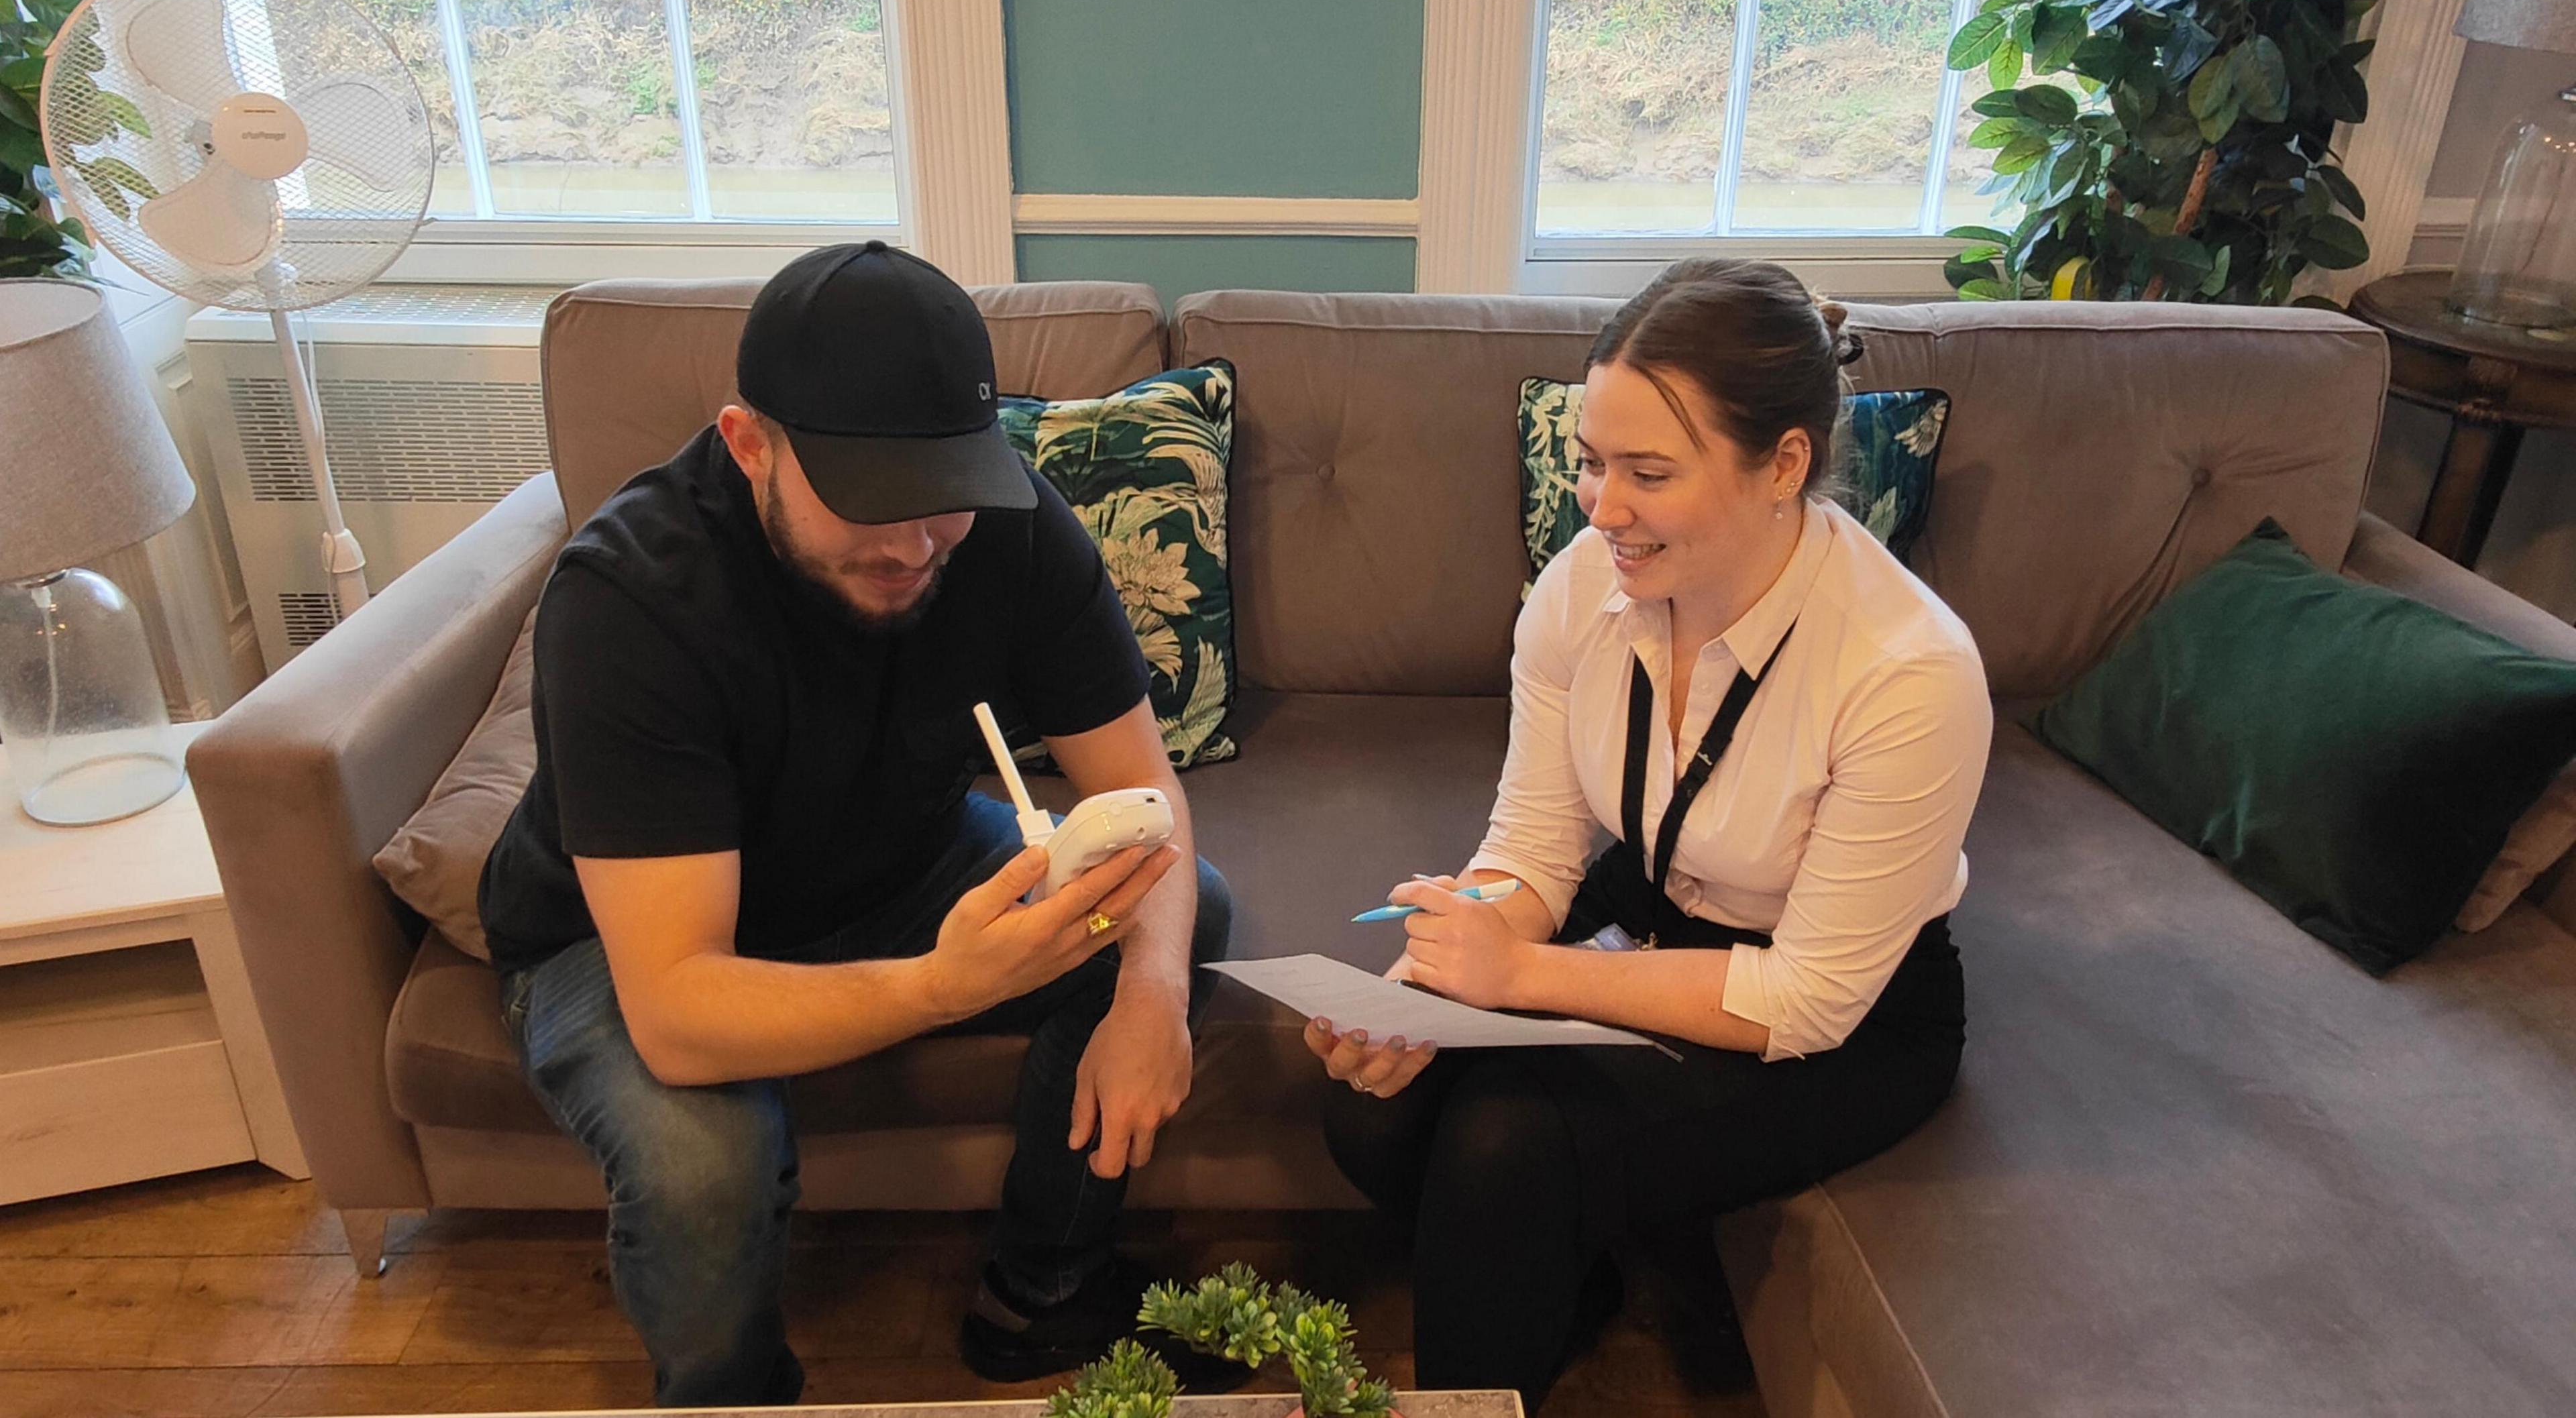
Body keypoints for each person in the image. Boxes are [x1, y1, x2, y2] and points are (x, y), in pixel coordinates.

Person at [478, 241, 1230, 1407]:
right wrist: (946, 984)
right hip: (626, 941)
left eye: (944, 497)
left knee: (1175, 911)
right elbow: (678, 1011)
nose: (912, 544)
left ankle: (1042, 1291)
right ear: (749, 444)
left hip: (897, 865)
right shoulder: (634, 598)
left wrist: (1150, 996)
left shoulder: (1013, 528)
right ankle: (729, 1394)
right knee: (702, 1164)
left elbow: (1148, 807)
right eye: (868, 501)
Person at [1309, 258, 1991, 1408]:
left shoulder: (1909, 672)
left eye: (1649, 473)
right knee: (1371, 1104)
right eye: (1588, 462)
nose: (1600, 505)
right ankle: (1554, 1281)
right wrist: (1436, 971)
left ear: (1785, 466)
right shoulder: (1585, 589)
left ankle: (1499, 1335)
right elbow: (1531, 848)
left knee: (1505, 1147)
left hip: (1847, 1013)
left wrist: (1524, 975)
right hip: (1653, 906)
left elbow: (1809, 997)